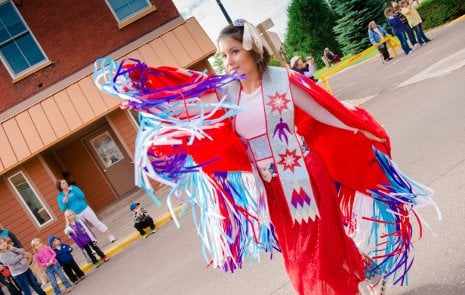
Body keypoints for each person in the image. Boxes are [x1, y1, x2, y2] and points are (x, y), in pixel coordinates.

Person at [93, 19, 438, 295]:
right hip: (272, 187)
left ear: (253, 51)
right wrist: (149, 95)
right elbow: (188, 97)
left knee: (316, 252)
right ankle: (365, 269)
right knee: (305, 251)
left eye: (233, 51)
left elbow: (324, 113)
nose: (226, 61)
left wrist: (363, 130)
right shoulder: (225, 91)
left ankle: (346, 285)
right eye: (222, 55)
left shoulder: (284, 81)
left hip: (305, 176)